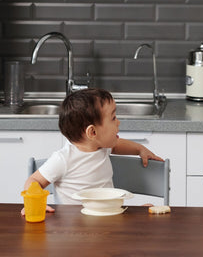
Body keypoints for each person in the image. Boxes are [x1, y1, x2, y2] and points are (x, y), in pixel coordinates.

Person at [21, 88, 163, 214]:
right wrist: (34, 202)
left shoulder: (102, 146)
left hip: (108, 217)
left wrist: (140, 149)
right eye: (113, 118)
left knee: (143, 213)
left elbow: (118, 144)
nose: (118, 122)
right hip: (74, 228)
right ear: (93, 132)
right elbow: (34, 180)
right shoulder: (63, 159)